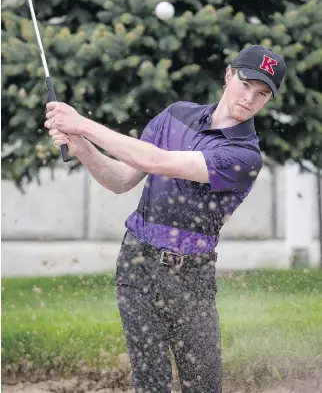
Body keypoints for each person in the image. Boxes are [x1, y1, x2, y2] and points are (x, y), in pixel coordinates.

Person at [44, 44, 286, 393]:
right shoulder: (176, 115)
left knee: (202, 386)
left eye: (262, 94)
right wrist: (82, 146)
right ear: (229, 75)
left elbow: (158, 161)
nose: (250, 98)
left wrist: (82, 123)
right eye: (246, 84)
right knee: (150, 382)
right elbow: (121, 180)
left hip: (192, 280)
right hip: (137, 265)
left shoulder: (244, 156)